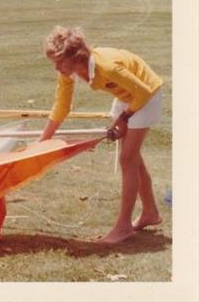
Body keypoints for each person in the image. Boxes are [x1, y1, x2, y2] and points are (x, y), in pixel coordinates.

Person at [39, 26, 164, 244]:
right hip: (127, 94)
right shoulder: (69, 72)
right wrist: (43, 141)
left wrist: (125, 117)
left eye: (60, 62)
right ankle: (150, 213)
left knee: (127, 158)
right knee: (132, 157)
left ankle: (123, 227)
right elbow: (62, 105)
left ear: (76, 56)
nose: (57, 68)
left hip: (147, 94)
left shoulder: (106, 67)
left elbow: (143, 92)